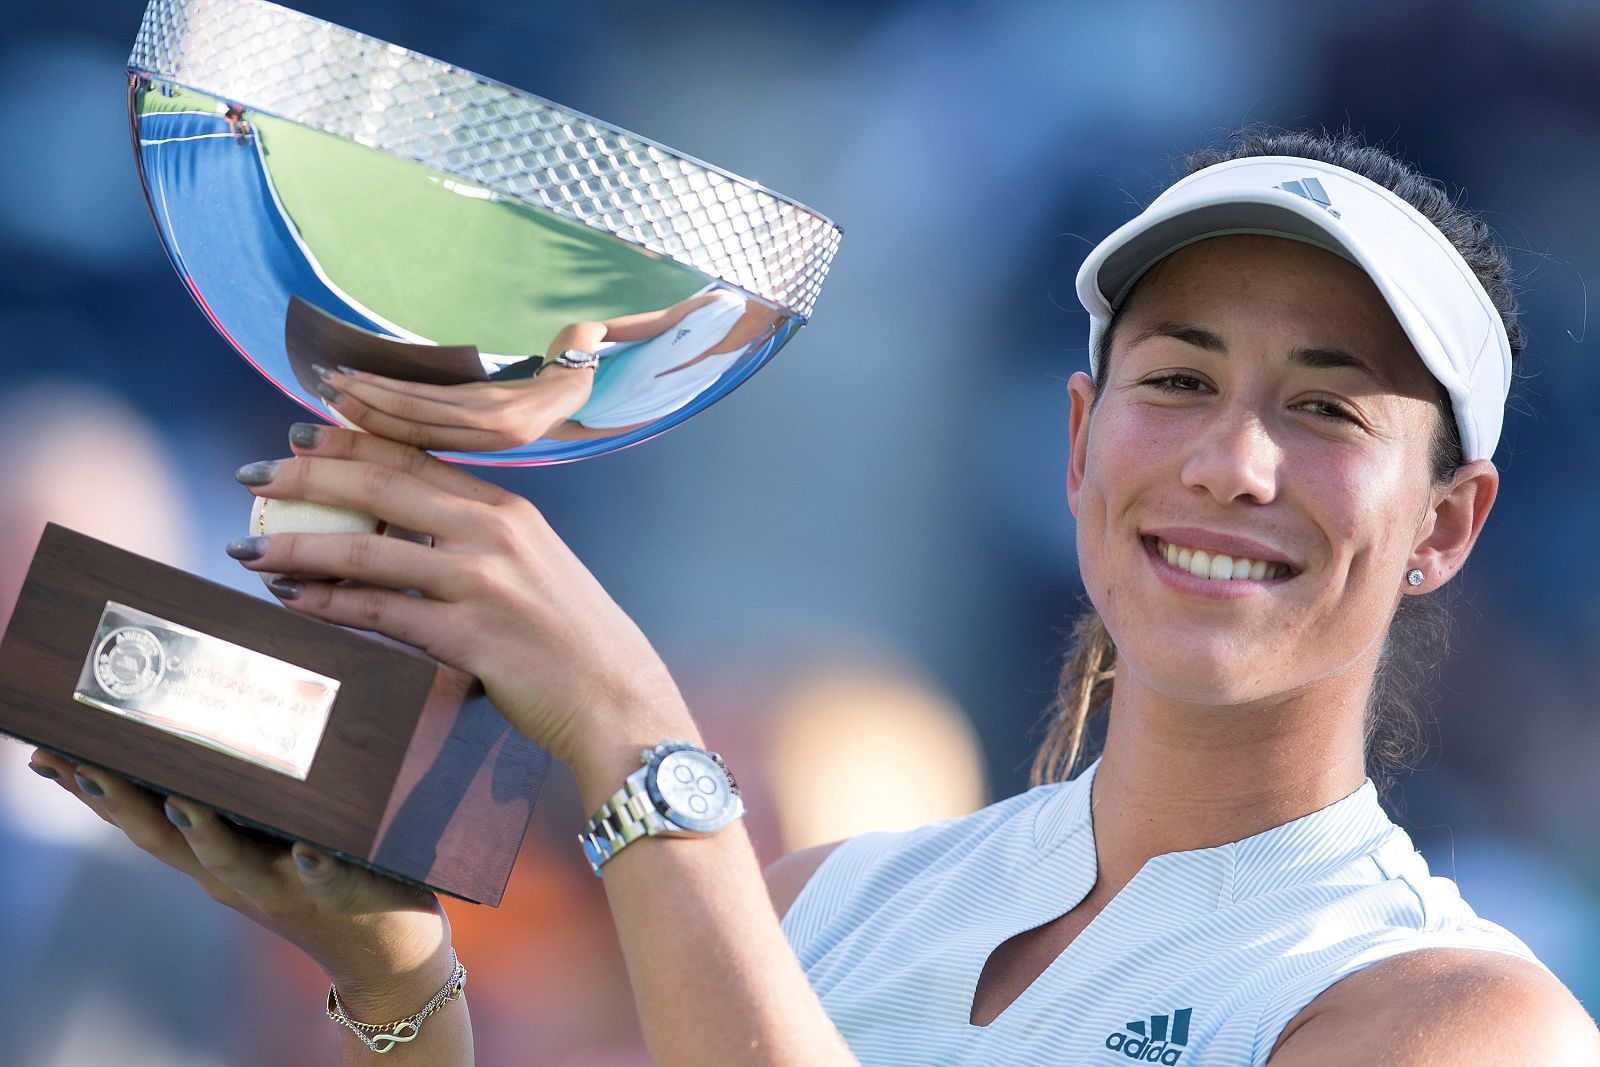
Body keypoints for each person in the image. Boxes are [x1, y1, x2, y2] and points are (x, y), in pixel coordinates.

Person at [25, 129, 1600, 1065]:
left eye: (1326, 409)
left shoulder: (1457, 1018)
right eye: (1179, 379)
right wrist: (396, 983)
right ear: (1077, 442)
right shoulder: (826, 903)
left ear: (1447, 524)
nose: (1233, 464)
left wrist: (634, 728)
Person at [307, 289, 782, 452]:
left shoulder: (701, 395)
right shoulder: (716, 303)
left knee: (418, 423)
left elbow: (575, 435)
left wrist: (547, 419)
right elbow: (589, 328)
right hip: (534, 375)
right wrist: (568, 376)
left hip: (514, 425)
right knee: (386, 381)